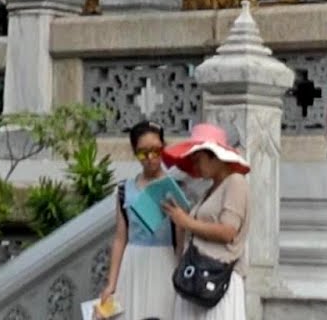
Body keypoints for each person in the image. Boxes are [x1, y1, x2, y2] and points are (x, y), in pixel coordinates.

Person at [162, 123, 253, 320]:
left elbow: (228, 232)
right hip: (196, 274)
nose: (195, 167)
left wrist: (187, 222)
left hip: (217, 276)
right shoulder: (209, 190)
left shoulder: (235, 182)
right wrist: (180, 220)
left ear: (215, 156)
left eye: (198, 160)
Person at [100, 121, 185, 320]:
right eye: (142, 153)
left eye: (156, 151)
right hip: (133, 262)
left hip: (165, 261)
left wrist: (179, 267)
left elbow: (181, 237)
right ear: (134, 152)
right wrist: (112, 283)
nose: (150, 158)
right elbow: (120, 238)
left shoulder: (173, 187)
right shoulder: (124, 189)